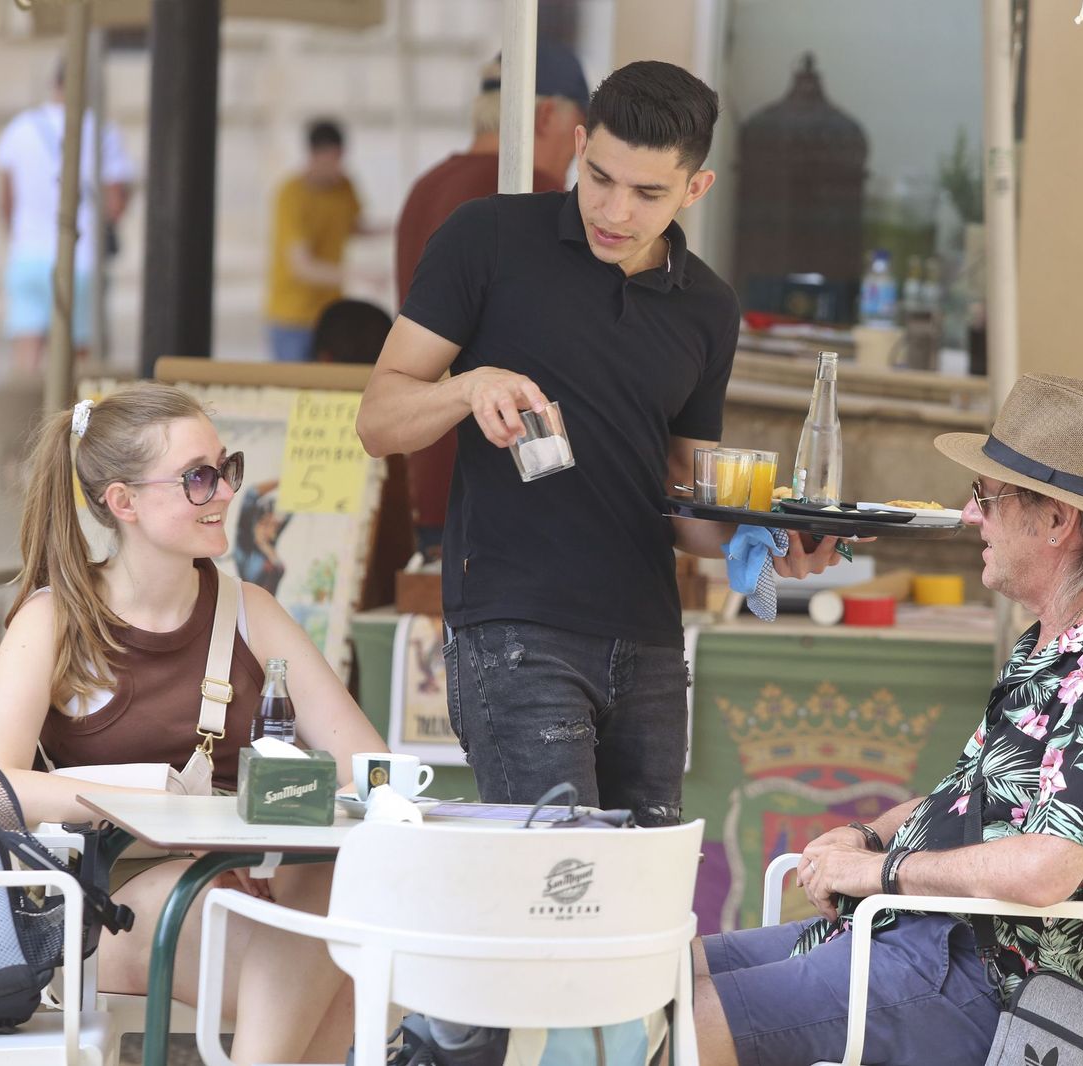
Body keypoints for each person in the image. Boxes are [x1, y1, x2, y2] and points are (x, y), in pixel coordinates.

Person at [356, 60, 841, 829]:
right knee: (555, 892)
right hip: (514, 627)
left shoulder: (709, 306)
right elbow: (378, 418)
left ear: (696, 189)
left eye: (648, 193)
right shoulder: (486, 238)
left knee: (639, 901)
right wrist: (466, 385)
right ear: (578, 145)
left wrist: (764, 535)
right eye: (600, 177)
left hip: (649, 638)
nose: (614, 210)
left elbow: (684, 492)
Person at [690, 374, 1083, 1066]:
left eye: (987, 499)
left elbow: (1041, 872)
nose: (971, 517)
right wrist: (860, 836)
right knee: (662, 974)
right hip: (933, 946)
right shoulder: (1061, 641)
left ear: (1058, 521)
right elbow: (972, 799)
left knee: (687, 1016)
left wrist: (876, 873)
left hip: (993, 986)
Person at [0, 382, 388, 1066]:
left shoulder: (250, 609)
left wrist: (256, 839)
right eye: (198, 477)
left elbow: (369, 769)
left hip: (248, 878)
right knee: (341, 957)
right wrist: (155, 807)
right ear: (123, 502)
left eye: (227, 470)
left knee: (337, 892)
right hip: (111, 894)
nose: (225, 493)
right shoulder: (55, 621)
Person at [395, 42, 588, 557]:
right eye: (578, 144)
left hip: (425, 468)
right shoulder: (530, 197)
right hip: (499, 487)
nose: (575, 165)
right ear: (547, 114)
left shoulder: (426, 186)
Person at [0, 60, 136, 371]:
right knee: (79, 363)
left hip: (27, 255)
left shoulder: (20, 128)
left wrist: (21, 236)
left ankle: (26, 420)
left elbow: (5, 201)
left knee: (26, 359)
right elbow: (114, 204)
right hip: (80, 258)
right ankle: (73, 421)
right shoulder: (102, 132)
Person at [264, 119, 362, 363]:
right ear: (313, 155)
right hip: (292, 316)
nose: (337, 167)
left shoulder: (344, 186)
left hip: (330, 314)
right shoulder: (291, 195)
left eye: (340, 158)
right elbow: (302, 266)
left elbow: (353, 227)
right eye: (331, 159)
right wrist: (357, 275)